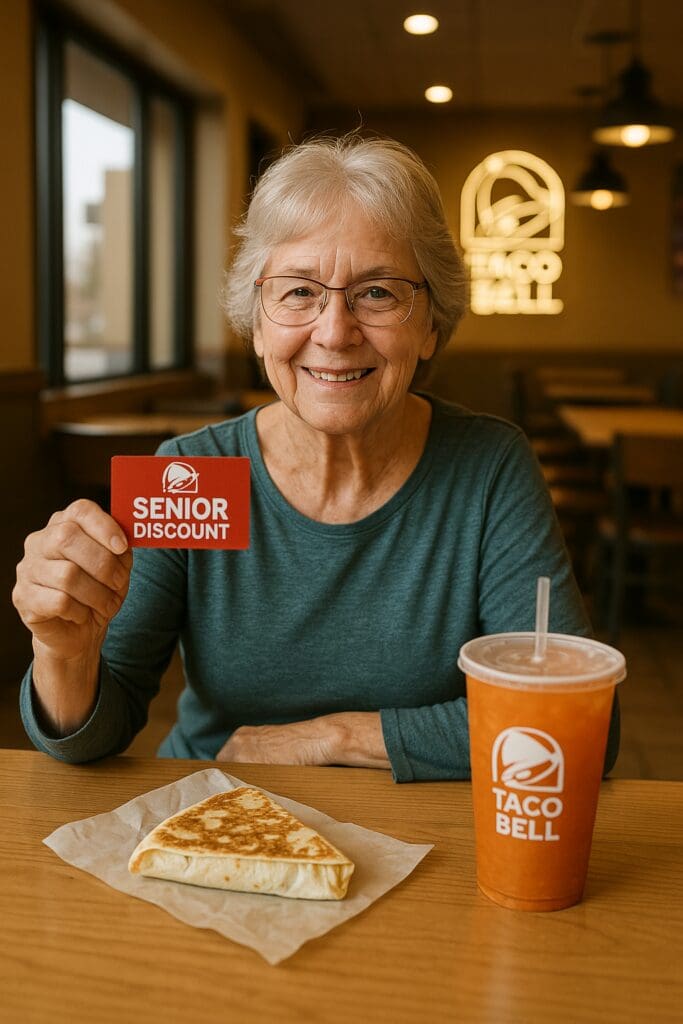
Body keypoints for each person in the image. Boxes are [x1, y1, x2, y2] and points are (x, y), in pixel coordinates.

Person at [12, 133, 618, 780]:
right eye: (298, 292)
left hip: (412, 825)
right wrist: (65, 653)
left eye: (378, 293)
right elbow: (92, 738)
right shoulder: (190, 472)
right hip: (215, 809)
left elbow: (575, 721)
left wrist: (331, 737)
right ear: (257, 323)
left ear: (431, 325)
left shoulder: (488, 468)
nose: (333, 332)